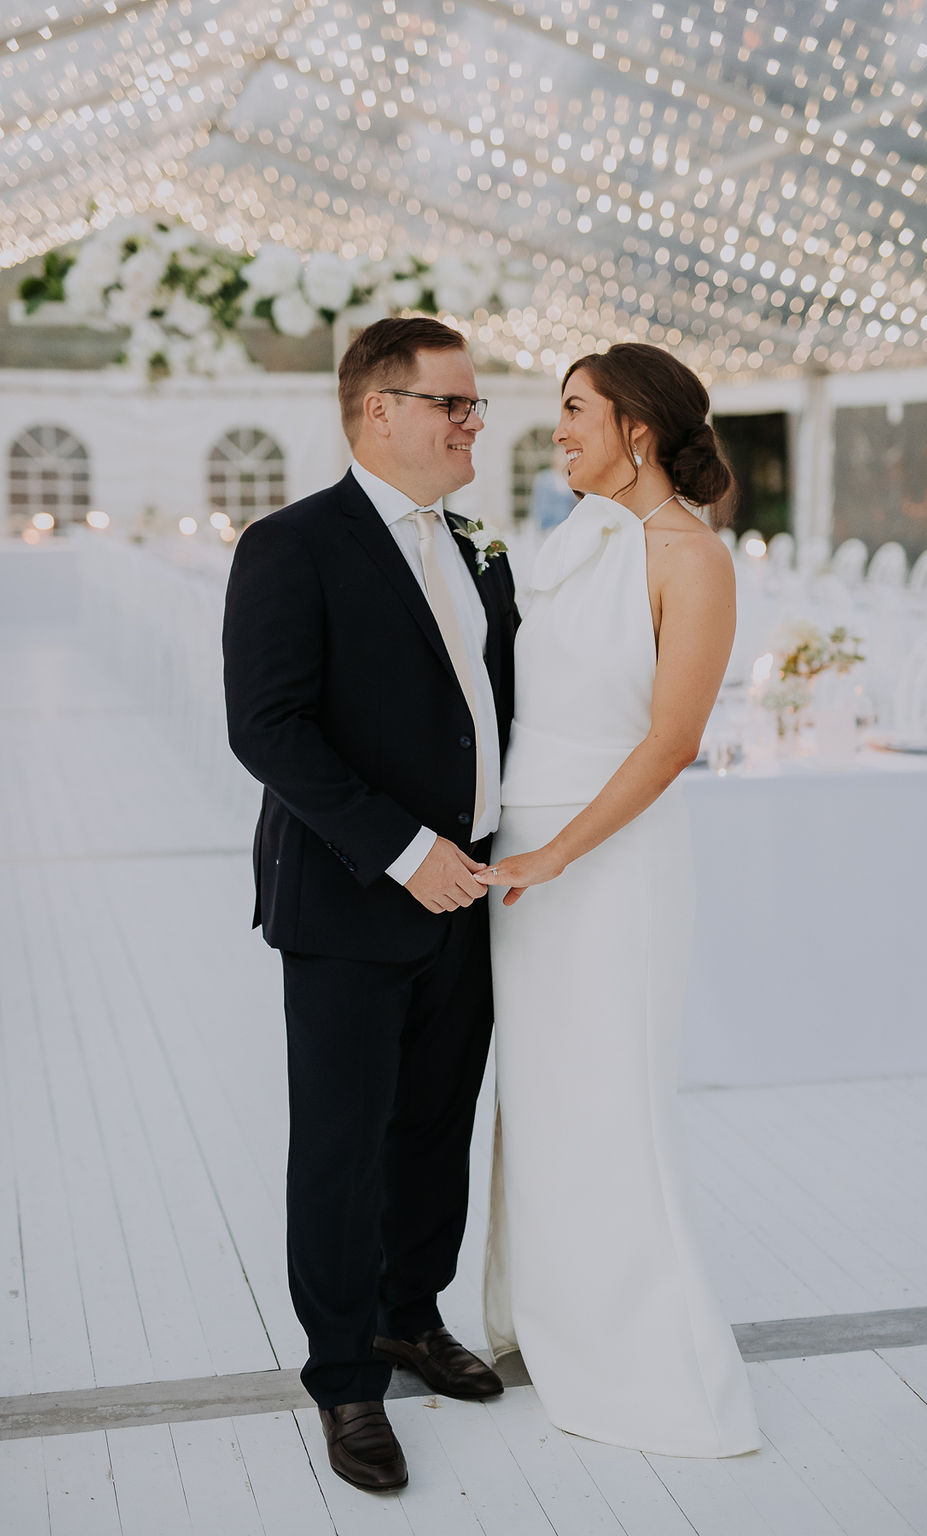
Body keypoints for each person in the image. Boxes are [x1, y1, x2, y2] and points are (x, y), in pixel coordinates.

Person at [223, 316, 518, 1493]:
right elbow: (268, 729)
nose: (472, 426)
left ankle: (410, 1314)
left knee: (436, 1125)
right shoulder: (291, 545)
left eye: (474, 406)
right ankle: (345, 1375)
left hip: (475, 892)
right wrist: (404, 850)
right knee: (342, 1146)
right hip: (355, 896)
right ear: (377, 409)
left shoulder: (475, 545)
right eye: (452, 405)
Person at [475, 343, 761, 1457]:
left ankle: (643, 1362)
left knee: (609, 1100)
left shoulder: (690, 558)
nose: (558, 431)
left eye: (574, 412)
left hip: (611, 860)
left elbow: (671, 742)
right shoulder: (569, 535)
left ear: (637, 428)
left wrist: (557, 855)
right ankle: (546, 1323)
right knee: (539, 1099)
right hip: (526, 851)